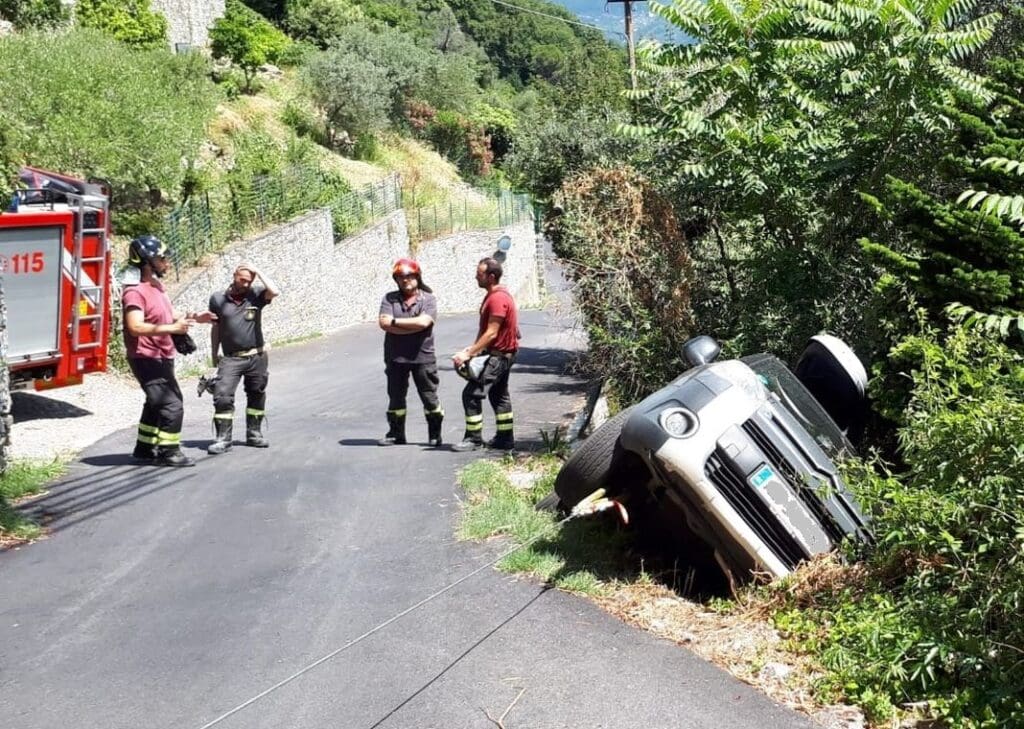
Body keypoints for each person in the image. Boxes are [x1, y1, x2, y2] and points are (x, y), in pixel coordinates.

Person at [122, 234, 214, 467]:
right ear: (147, 261)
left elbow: (169, 315)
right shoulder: (134, 292)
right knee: (171, 404)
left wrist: (195, 318)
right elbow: (134, 327)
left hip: (162, 356)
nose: (167, 262)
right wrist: (173, 328)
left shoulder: (156, 286)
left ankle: (143, 448)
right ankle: (169, 451)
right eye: (162, 258)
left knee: (155, 403)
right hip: (146, 357)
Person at [206, 263, 280, 454]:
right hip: (231, 358)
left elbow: (275, 291)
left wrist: (259, 271)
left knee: (257, 393)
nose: (246, 283)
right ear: (234, 275)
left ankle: (254, 434)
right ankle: (223, 439)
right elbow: (216, 328)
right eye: (242, 279)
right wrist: (214, 354)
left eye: (249, 280)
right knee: (222, 395)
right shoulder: (217, 299)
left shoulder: (255, 295)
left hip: (257, 355)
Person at [452, 257, 520, 452]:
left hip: (499, 357)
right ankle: (505, 439)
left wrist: (468, 355)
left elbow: (491, 332)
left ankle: (473, 439)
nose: (476, 276)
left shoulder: (498, 299)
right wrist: (472, 350)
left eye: (479, 274)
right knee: (499, 396)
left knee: (471, 394)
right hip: (502, 354)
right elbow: (487, 333)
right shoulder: (497, 295)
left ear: (491, 277)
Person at [378, 258, 443, 447]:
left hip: (422, 356)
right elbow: (383, 323)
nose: (405, 280)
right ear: (396, 280)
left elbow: (425, 322)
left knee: (429, 397)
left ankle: (434, 435)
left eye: (409, 276)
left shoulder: (428, 299)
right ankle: (395, 434)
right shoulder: (389, 298)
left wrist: (395, 323)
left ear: (417, 276)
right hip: (395, 357)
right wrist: (412, 326)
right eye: (400, 277)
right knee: (395, 396)